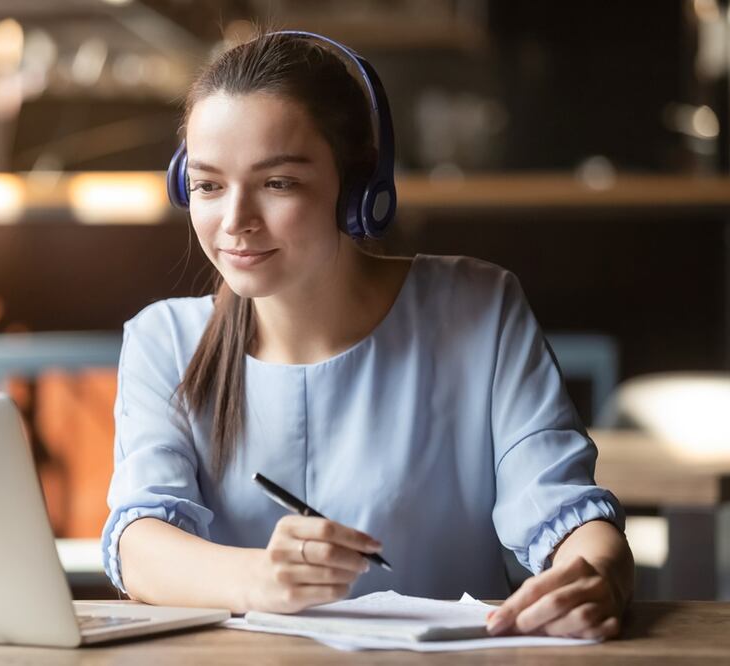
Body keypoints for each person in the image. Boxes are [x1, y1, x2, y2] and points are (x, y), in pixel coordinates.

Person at [101, 30, 634, 640]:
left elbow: (563, 511)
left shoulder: (478, 310)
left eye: (278, 183)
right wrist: (263, 581)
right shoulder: (163, 340)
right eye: (208, 185)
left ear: (358, 191)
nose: (235, 221)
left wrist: (599, 573)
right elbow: (140, 543)